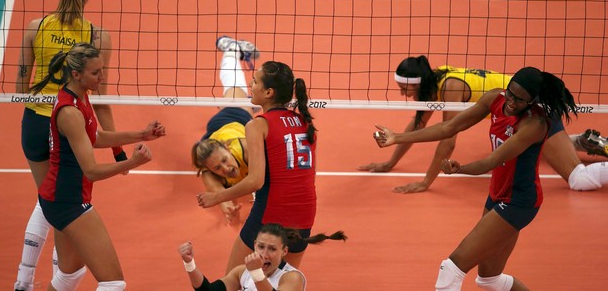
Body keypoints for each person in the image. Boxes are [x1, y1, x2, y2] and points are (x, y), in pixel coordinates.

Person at [374, 66, 576, 290]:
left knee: (451, 269)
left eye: (519, 100)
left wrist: (460, 169)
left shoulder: (534, 125)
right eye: (510, 93)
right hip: (497, 195)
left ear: (531, 101)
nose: (511, 101)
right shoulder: (496, 98)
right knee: (490, 280)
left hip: (519, 202)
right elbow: (450, 126)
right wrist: (396, 137)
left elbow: (491, 161)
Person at [14, 0, 126, 291]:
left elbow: (21, 86)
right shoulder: (97, 36)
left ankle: (23, 280)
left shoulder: (36, 27)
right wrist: (118, 151)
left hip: (35, 124)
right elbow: (100, 99)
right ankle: (60, 279)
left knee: (46, 197)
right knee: (63, 205)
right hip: (70, 124)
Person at [359, 55, 608, 193]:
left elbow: (448, 140)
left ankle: (571, 144)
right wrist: (390, 162)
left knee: (579, 181)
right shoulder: (435, 82)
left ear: (418, 82)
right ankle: (580, 141)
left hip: (533, 111)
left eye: (406, 89)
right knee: (524, 147)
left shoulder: (450, 87)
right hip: (516, 114)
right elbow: (417, 126)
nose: (404, 94)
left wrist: (426, 183)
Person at [33, 42, 166, 291]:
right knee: (113, 283)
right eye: (96, 72)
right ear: (76, 74)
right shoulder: (70, 113)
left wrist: (142, 134)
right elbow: (91, 171)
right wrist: (131, 163)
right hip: (67, 202)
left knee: (68, 276)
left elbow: (94, 137)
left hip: (59, 198)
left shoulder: (79, 96)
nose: (102, 77)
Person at [197, 61, 317, 273]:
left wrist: (216, 197)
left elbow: (255, 181)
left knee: (232, 281)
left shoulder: (258, 125)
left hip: (271, 213)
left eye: (254, 81)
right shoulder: (306, 123)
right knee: (283, 282)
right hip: (305, 216)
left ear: (269, 92)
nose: (251, 86)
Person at [191, 35, 260, 225]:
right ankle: (232, 52)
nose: (226, 168)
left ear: (228, 148)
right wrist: (227, 208)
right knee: (241, 96)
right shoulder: (210, 174)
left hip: (232, 118)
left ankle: (231, 50)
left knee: (235, 90)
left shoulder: (246, 148)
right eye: (217, 168)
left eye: (224, 160)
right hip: (213, 136)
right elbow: (220, 196)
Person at [178, 223, 346, 291]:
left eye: (272, 249)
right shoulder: (242, 272)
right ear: (254, 244)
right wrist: (190, 263)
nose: (264, 254)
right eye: (261, 246)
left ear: (284, 251)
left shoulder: (292, 278)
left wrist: (257, 273)